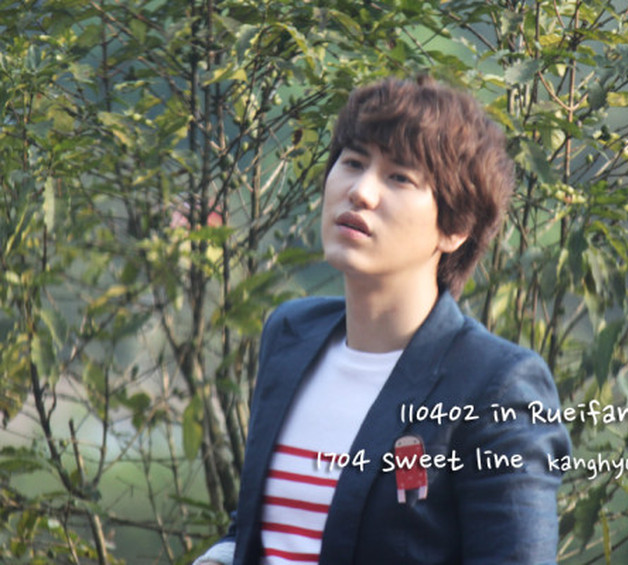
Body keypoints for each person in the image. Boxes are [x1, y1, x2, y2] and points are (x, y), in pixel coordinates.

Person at [194, 75, 571, 565]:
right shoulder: (290, 335)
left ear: (456, 227)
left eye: (399, 178)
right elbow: (260, 532)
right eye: (353, 163)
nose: (361, 192)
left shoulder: (496, 386)